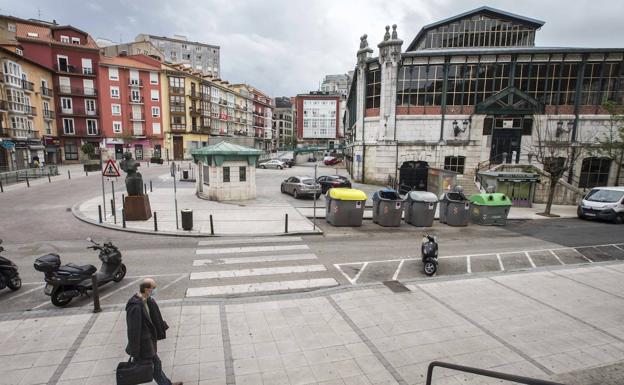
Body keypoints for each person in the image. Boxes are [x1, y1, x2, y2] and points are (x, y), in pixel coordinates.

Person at [125, 278, 182, 385]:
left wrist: (161, 327)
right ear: (146, 289)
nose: (155, 290)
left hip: (149, 341)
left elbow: (154, 318)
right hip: (143, 344)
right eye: (153, 288)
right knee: (154, 366)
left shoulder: (148, 301)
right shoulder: (135, 307)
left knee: (155, 366)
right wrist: (135, 351)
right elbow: (133, 331)